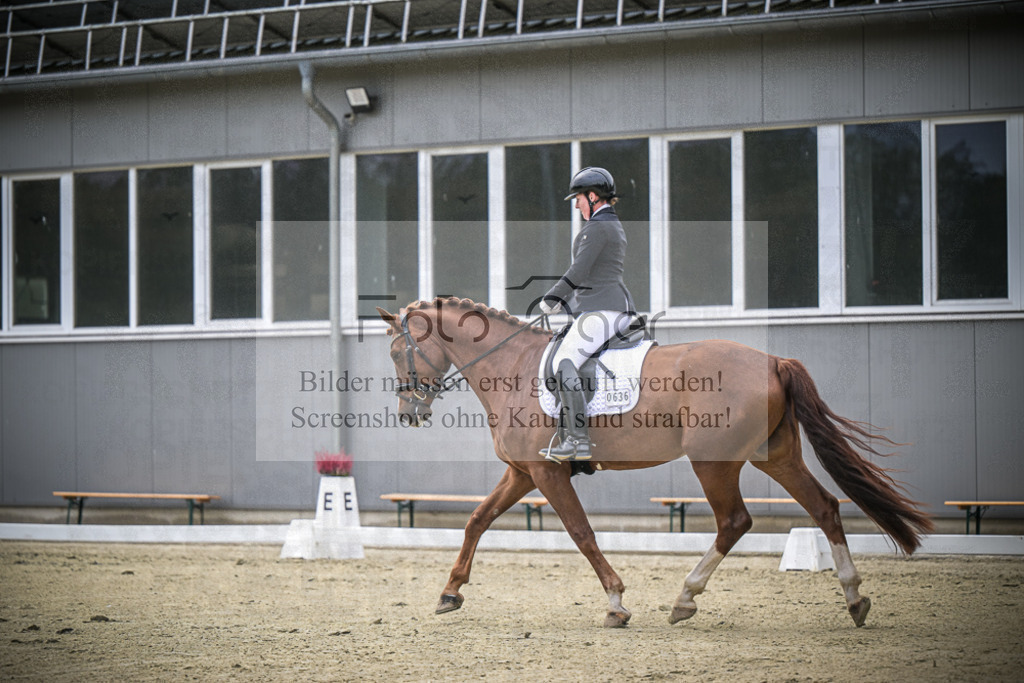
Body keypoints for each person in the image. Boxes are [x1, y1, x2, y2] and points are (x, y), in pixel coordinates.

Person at [539, 166, 637, 463]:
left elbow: (579, 271)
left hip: (603, 309)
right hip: (609, 306)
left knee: (562, 361)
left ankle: (577, 440)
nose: (577, 204)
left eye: (579, 198)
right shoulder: (610, 225)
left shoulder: (597, 229)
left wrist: (552, 298)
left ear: (593, 196)